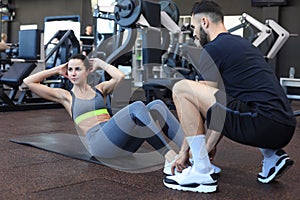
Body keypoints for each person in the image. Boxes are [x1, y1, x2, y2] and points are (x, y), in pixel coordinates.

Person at [163, 0, 296, 193]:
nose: (193, 33)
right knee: (237, 100)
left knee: (182, 89)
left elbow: (205, 107)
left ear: (205, 23)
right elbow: (222, 107)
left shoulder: (212, 50)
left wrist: (186, 153)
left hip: (263, 123)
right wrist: (208, 146)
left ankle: (200, 172)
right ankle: (271, 157)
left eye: (194, 27)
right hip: (284, 125)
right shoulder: (242, 44)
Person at [23, 53, 222, 174]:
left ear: (87, 72)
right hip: (99, 146)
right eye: (71, 70)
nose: (73, 73)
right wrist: (58, 69)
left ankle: (195, 154)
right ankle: (170, 157)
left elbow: (119, 76)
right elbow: (28, 82)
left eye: (78, 69)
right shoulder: (66, 96)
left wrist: (100, 62)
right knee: (136, 108)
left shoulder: (100, 89)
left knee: (158, 105)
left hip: (121, 144)